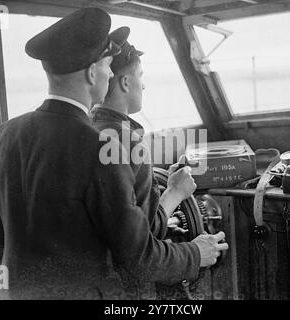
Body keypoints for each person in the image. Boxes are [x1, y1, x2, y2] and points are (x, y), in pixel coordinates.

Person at [0, 7, 227, 300]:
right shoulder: (103, 149)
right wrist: (195, 253)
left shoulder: (1, 136)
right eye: (108, 65)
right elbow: (138, 260)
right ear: (93, 73)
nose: (110, 73)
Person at [91, 40, 228, 298]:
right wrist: (174, 193)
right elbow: (143, 236)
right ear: (125, 83)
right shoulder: (127, 140)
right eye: (140, 77)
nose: (143, 85)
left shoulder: (89, 128)